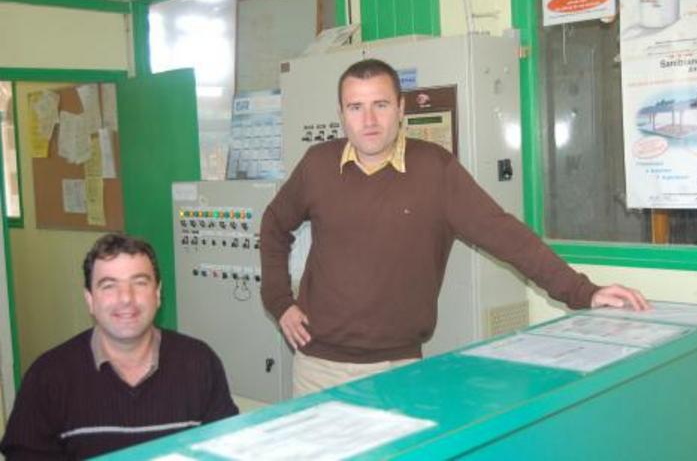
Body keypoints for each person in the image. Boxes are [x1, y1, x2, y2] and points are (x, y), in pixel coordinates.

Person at [260, 58, 649, 397]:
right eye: (356, 107)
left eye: (380, 104)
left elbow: (505, 235)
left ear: (400, 108)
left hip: (400, 368)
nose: (369, 120)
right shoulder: (317, 165)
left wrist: (584, 291)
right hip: (319, 366)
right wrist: (280, 302)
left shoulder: (435, 169)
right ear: (342, 114)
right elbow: (274, 225)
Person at [0, 233, 238, 460]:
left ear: (157, 293)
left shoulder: (200, 363)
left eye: (140, 282)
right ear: (90, 300)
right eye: (109, 285)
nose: (126, 297)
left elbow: (227, 449)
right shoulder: (48, 377)